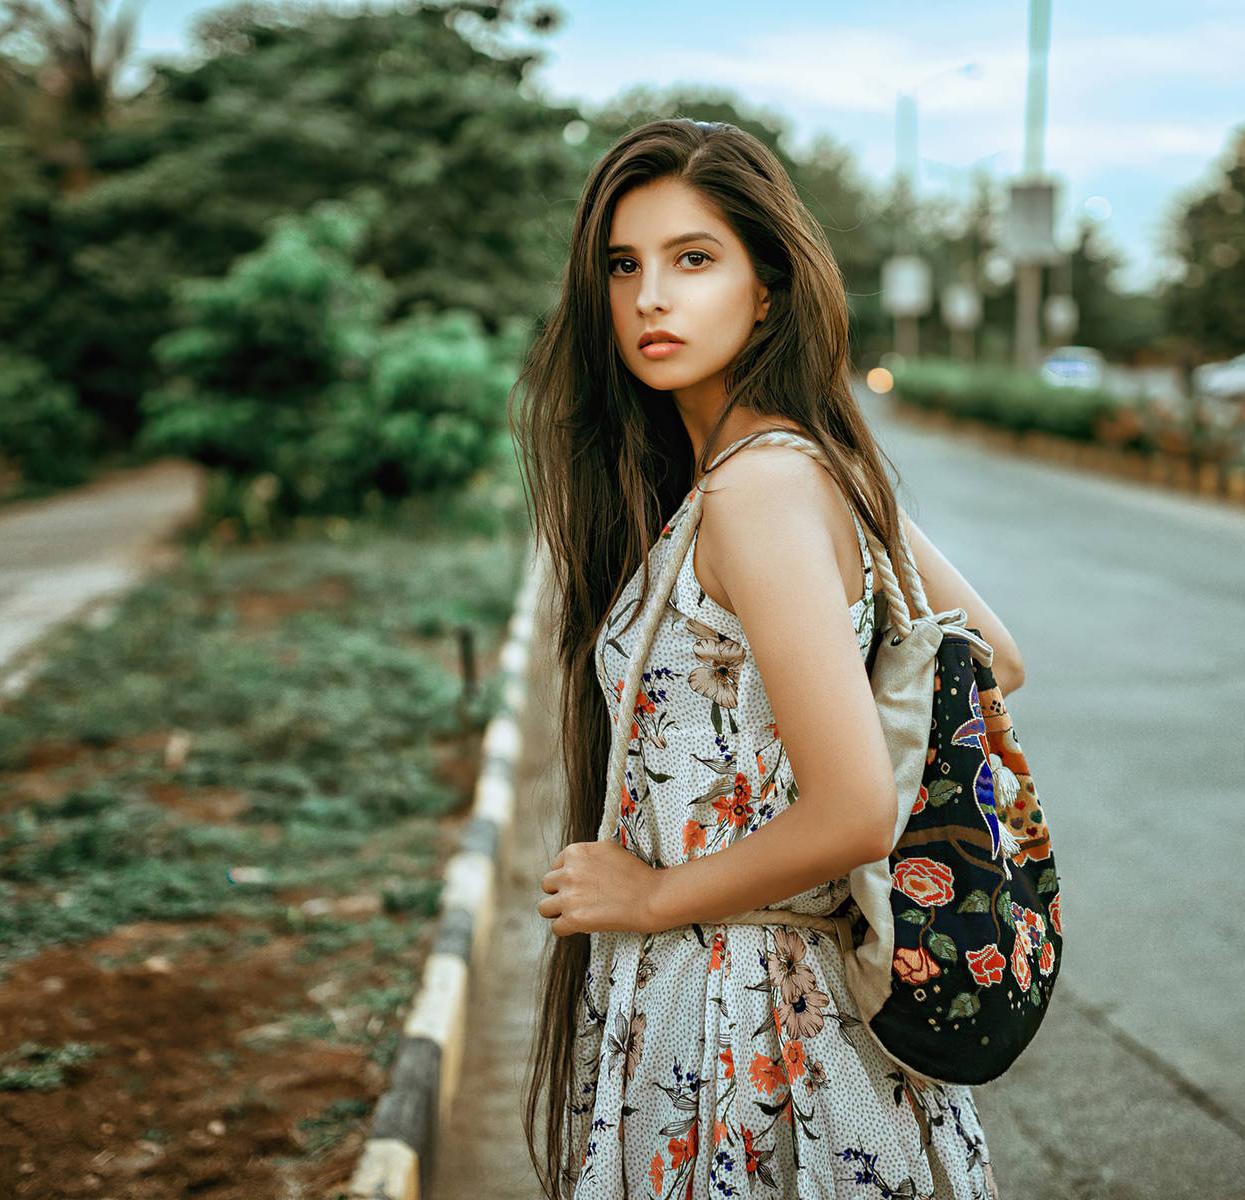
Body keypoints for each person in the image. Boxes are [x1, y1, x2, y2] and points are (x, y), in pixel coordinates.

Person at [510, 117, 1025, 1199]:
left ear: (768, 290)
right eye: (623, 264)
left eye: (693, 259)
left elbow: (851, 815)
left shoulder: (760, 488)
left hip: (751, 1021)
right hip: (770, 994)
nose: (650, 296)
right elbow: (992, 659)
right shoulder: (797, 464)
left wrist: (653, 897)